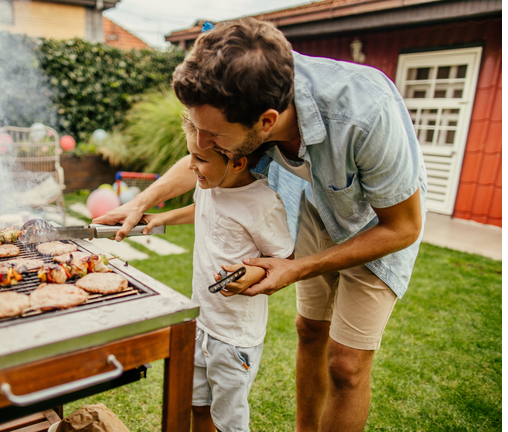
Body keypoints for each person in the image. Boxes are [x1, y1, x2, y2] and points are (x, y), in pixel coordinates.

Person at [94, 17, 427, 432]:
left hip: (377, 224)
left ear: (266, 123)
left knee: (346, 365)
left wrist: (296, 267)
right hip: (314, 207)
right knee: (309, 330)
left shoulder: (364, 112)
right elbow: (205, 158)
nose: (199, 143)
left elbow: (404, 227)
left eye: (212, 135)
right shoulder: (243, 94)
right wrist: (142, 200)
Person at [141, 116, 294, 432]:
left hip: (234, 337)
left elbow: (285, 258)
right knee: (198, 405)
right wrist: (162, 216)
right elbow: (202, 210)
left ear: (237, 163)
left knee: (229, 422)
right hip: (201, 322)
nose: (191, 166)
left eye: (199, 159)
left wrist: (252, 274)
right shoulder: (209, 185)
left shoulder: (263, 203)